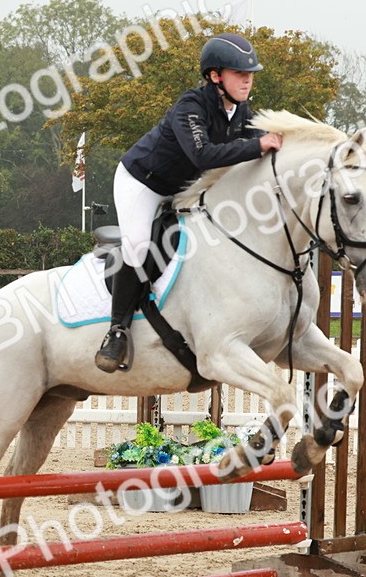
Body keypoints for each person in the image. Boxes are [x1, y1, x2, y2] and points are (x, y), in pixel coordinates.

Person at [94, 32, 284, 373]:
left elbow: (259, 141)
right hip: (143, 182)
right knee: (138, 247)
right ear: (215, 76)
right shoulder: (191, 107)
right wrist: (259, 145)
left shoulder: (240, 111)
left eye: (250, 73)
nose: (247, 79)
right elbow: (203, 155)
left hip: (185, 189)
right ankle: (116, 330)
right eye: (239, 73)